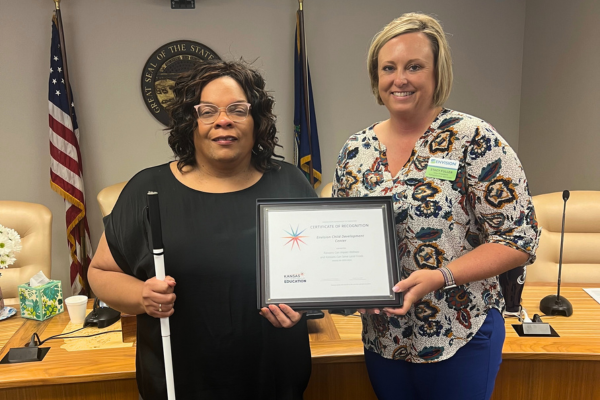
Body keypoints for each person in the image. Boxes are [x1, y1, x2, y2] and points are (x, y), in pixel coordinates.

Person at [332, 13, 540, 400]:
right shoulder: (355, 151)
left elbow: (518, 238)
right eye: (388, 68)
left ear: (436, 72)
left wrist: (440, 276)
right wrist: (348, 286)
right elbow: (342, 235)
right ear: (376, 77)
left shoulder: (474, 140)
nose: (401, 78)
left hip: (459, 332)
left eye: (415, 66)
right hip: (384, 339)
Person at [88, 60, 316, 400]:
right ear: (189, 123)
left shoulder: (290, 183)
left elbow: (319, 271)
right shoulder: (149, 189)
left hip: (273, 378)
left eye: (238, 109)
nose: (223, 120)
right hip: (179, 381)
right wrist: (142, 297)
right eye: (207, 111)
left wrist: (305, 302)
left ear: (256, 121)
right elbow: (100, 272)